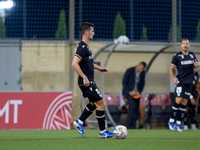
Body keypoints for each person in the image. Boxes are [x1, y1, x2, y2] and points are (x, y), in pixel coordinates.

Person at [71, 22, 115, 138]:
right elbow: (74, 64)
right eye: (92, 31)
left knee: (94, 104)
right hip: (87, 82)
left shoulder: (87, 47)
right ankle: (103, 132)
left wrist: (99, 68)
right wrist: (85, 77)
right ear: (87, 32)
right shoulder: (82, 47)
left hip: (89, 81)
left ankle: (79, 122)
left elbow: (88, 63)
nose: (94, 33)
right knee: (102, 104)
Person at [168, 38, 200, 132]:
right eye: (184, 44)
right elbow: (171, 68)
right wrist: (173, 77)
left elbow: (196, 64)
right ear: (181, 45)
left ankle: (179, 122)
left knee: (185, 102)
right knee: (178, 100)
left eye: (187, 44)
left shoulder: (192, 55)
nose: (185, 45)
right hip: (180, 81)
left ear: (189, 45)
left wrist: (197, 64)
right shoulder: (177, 56)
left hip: (189, 83)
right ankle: (171, 120)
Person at [122, 61, 147, 129]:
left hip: (137, 94)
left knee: (136, 109)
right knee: (131, 108)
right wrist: (129, 92)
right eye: (140, 69)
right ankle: (129, 125)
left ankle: (134, 124)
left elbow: (142, 83)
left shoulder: (143, 73)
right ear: (137, 65)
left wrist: (139, 91)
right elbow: (124, 82)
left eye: (142, 69)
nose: (141, 70)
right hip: (129, 94)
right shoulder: (129, 71)